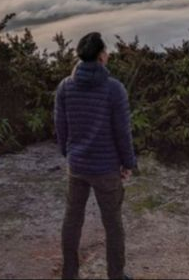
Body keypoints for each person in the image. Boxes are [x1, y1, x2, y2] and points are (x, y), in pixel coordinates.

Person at [54, 31, 137, 280]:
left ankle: (69, 275)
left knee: (72, 220)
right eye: (106, 50)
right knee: (113, 225)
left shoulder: (65, 87)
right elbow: (123, 131)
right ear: (101, 56)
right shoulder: (114, 89)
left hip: (77, 166)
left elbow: (60, 126)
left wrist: (68, 153)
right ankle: (116, 275)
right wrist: (128, 163)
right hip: (106, 169)